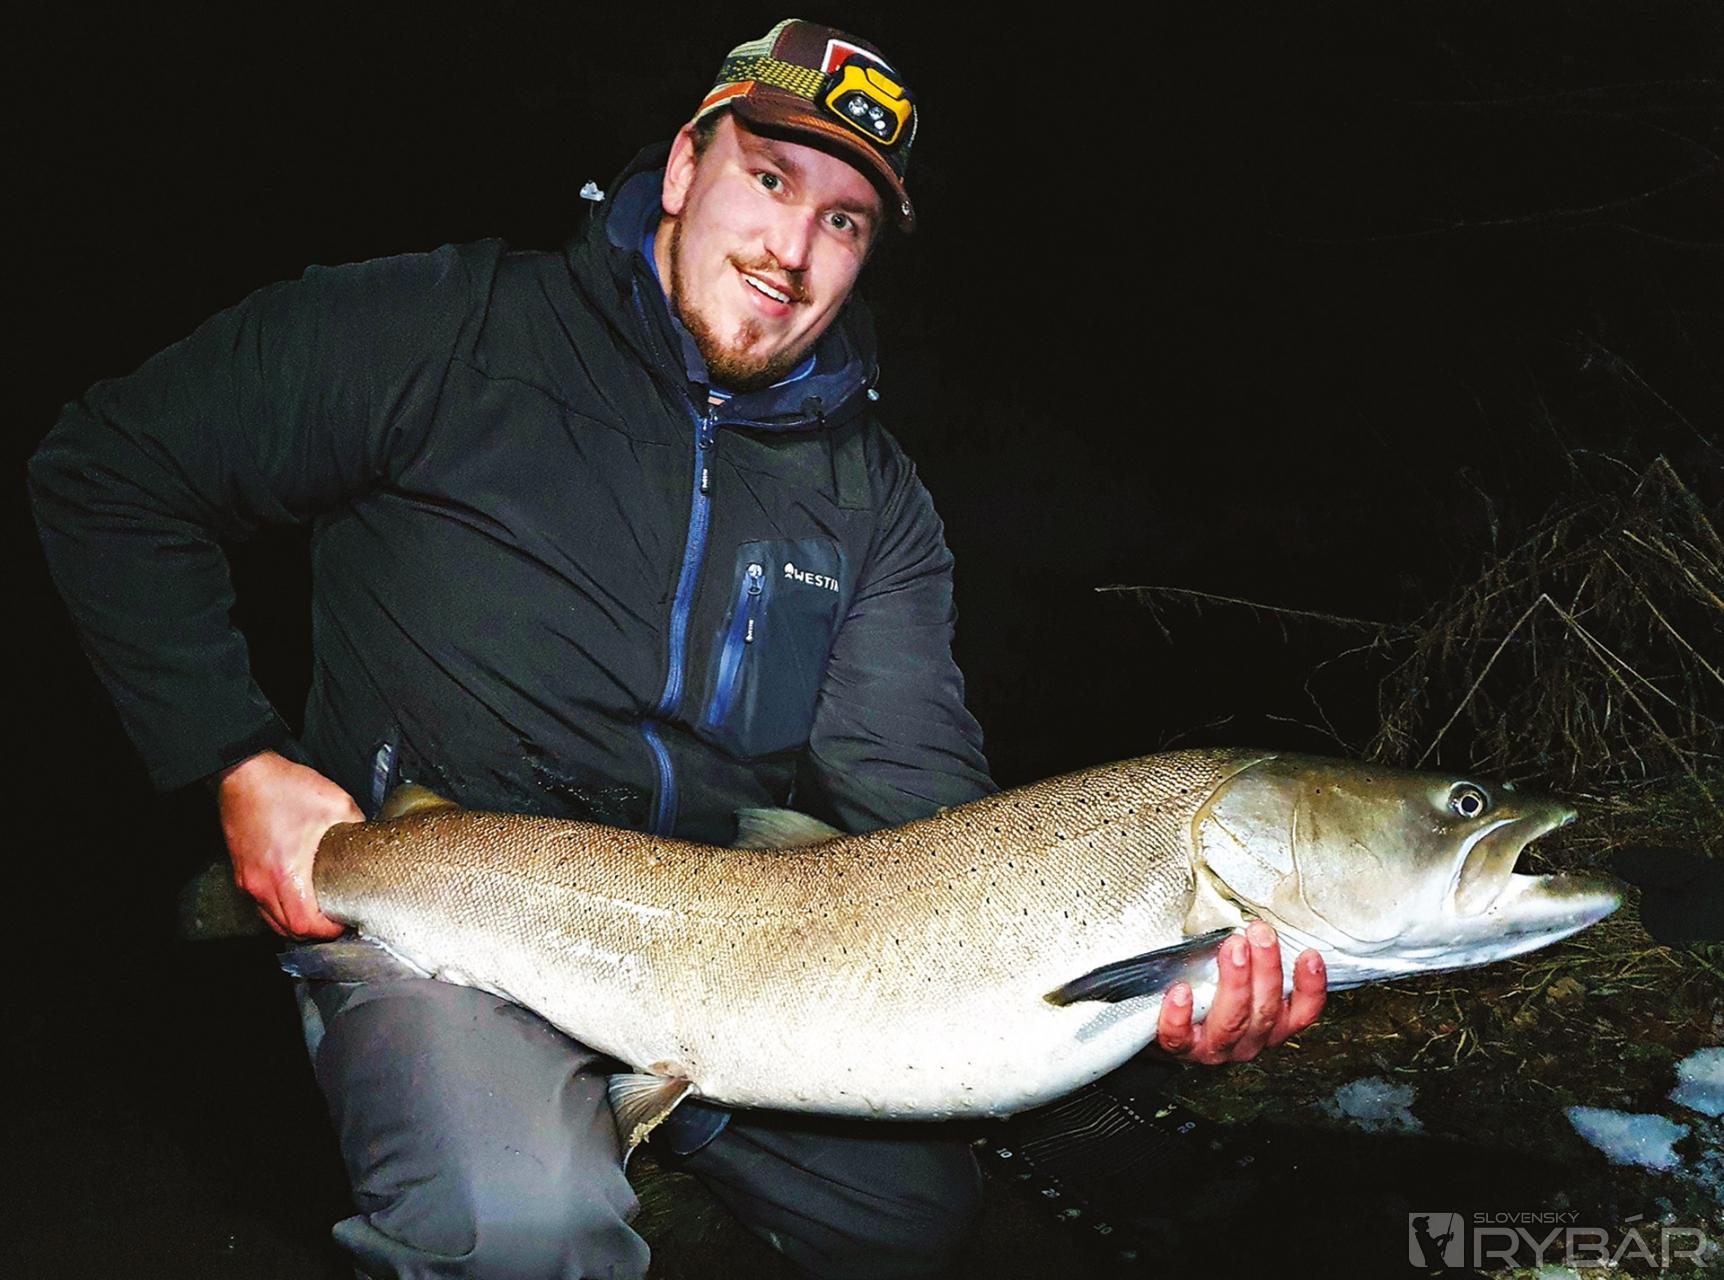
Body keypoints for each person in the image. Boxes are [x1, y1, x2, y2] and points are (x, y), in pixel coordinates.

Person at [29, 19, 1325, 1279]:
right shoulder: (440, 327)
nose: (792, 252)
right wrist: (236, 758)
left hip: (727, 962)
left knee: (909, 1222)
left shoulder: (872, 501)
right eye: (771, 179)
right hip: (449, 919)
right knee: (525, 1229)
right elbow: (107, 468)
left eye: (845, 223)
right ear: (687, 162)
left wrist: (1138, 992)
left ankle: (669, 1118)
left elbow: (921, 804)